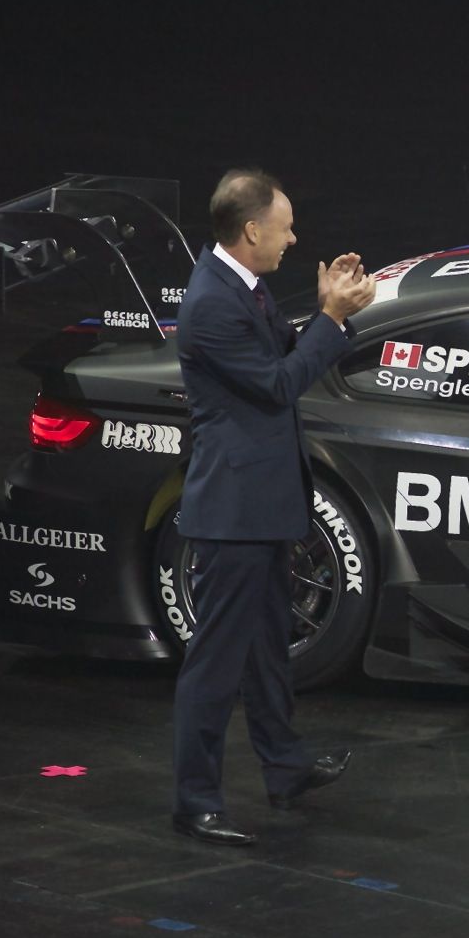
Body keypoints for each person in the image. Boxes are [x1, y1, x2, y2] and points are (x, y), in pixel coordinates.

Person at [170, 169, 377, 846]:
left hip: (261, 504)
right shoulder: (211, 304)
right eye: (285, 227)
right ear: (252, 229)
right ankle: (195, 800)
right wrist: (333, 318)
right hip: (233, 514)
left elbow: (277, 355)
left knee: (265, 650)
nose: (294, 238)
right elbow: (278, 384)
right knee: (216, 662)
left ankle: (283, 768)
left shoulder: (242, 287)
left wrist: (323, 309)